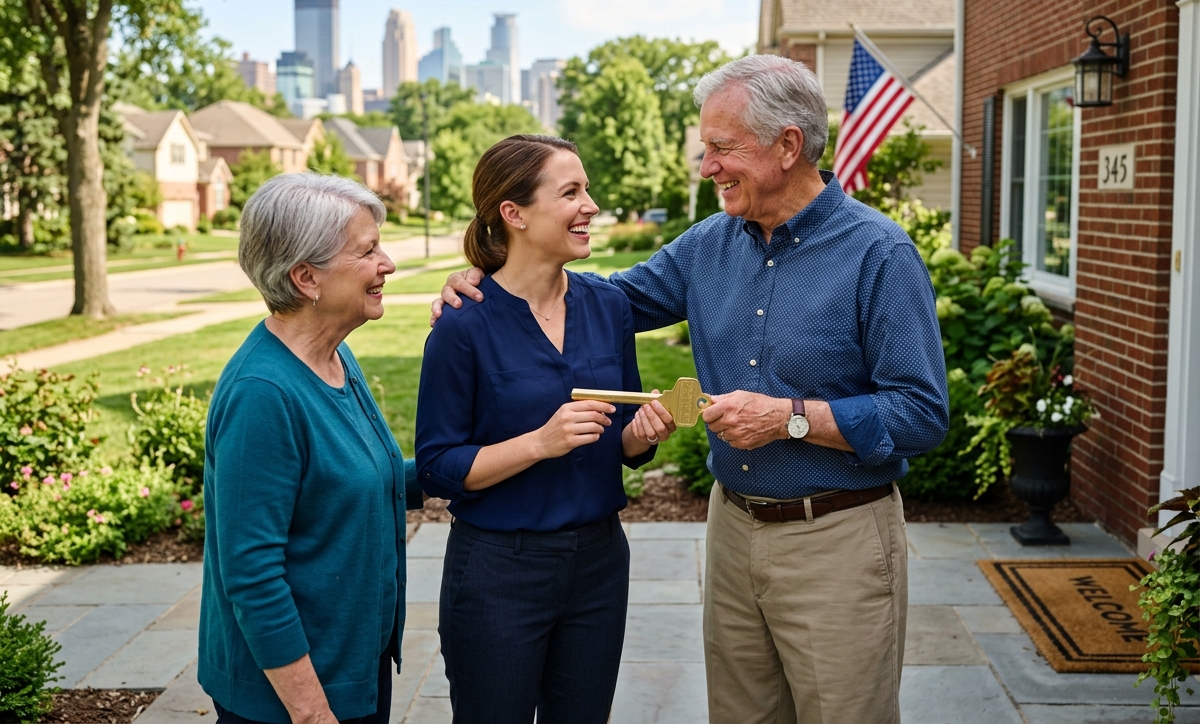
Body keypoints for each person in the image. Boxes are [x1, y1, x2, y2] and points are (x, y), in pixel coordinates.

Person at [433, 56, 950, 724]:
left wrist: (789, 418)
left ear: (788, 145)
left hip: (838, 539)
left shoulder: (878, 254)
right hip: (732, 530)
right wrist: (485, 273)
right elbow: (600, 299)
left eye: (721, 148)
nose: (707, 167)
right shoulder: (709, 245)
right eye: (706, 149)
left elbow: (921, 414)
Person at [415, 134, 671, 724]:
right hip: (499, 572)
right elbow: (437, 467)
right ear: (515, 214)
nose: (592, 205)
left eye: (587, 190)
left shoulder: (609, 307)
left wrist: (643, 434)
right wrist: (539, 443)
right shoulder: (462, 325)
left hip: (600, 564)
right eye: (572, 192)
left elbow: (620, 440)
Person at [199, 173, 422, 724]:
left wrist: (528, 448)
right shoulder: (263, 394)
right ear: (306, 278)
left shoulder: (332, 357)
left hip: (350, 669)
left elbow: (377, 479)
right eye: (368, 251)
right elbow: (252, 575)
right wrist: (312, 713)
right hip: (292, 699)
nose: (388, 264)